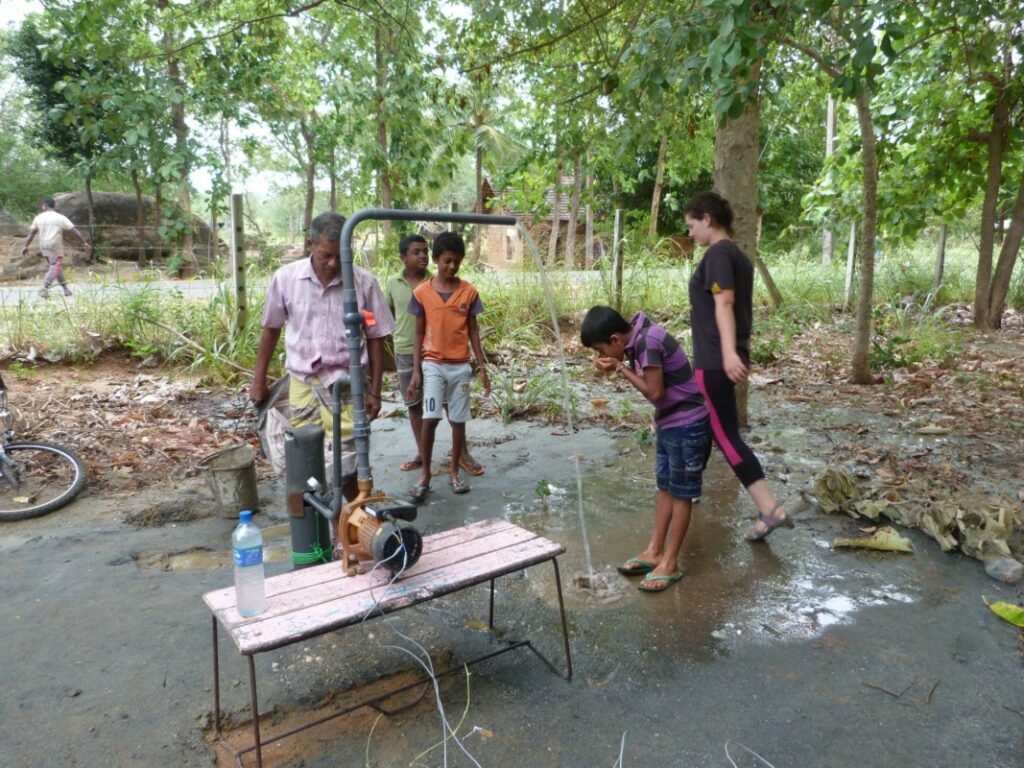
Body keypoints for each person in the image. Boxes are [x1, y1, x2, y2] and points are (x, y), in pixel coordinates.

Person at [249, 211, 395, 530]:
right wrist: (258, 379)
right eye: (326, 255)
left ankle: (352, 534)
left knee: (349, 466)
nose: (333, 264)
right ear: (310, 246)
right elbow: (271, 330)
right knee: (304, 462)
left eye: (341, 256)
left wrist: (374, 391)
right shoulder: (286, 279)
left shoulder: (363, 283)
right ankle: (313, 537)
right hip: (303, 382)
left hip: (347, 383)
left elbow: (378, 339)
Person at [684, 191, 793, 541]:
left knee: (725, 436)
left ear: (707, 219)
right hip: (721, 356)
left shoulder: (717, 254)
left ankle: (769, 508)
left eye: (691, 226)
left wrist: (728, 353)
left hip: (715, 360)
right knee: (703, 422)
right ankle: (687, 487)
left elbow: (726, 303)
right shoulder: (739, 257)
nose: (690, 235)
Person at [581, 306, 711, 592]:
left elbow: (655, 392)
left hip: (687, 425)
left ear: (616, 339)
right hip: (670, 423)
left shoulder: (647, 342)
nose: (599, 356)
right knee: (665, 487)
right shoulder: (638, 340)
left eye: (600, 349)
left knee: (681, 494)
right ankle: (654, 551)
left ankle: (671, 562)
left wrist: (619, 368)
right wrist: (619, 365)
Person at [385, 234, 486, 477]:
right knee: (415, 404)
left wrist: (481, 364)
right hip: (407, 350)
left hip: (440, 354)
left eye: (423, 252)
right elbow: (389, 315)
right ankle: (423, 455)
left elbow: (469, 326)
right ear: (403, 257)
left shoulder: (441, 284)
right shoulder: (395, 284)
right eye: (415, 252)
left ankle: (462, 453)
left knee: (452, 405)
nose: (421, 256)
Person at [406, 231, 490, 500]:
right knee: (430, 419)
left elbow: (474, 331)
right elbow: (418, 333)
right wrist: (416, 371)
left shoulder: (469, 292)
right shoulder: (422, 293)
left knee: (458, 421)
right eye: (447, 261)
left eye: (457, 262)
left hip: (461, 367)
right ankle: (426, 475)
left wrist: (483, 366)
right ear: (436, 260)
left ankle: (454, 473)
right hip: (433, 365)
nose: (452, 267)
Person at [21, 198, 90, 298]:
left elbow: (31, 233)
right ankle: (45, 288)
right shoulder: (60, 217)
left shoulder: (38, 218)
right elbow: (73, 230)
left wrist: (25, 246)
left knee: (56, 267)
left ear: (45, 206)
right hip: (54, 243)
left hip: (43, 244)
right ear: (54, 206)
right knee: (55, 265)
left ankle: (66, 289)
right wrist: (83, 242)